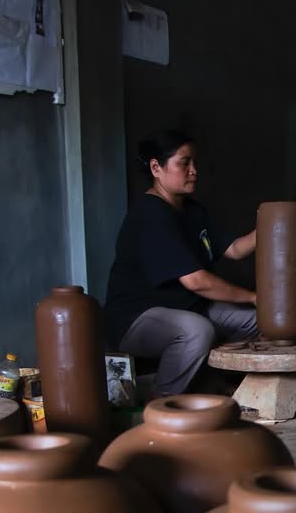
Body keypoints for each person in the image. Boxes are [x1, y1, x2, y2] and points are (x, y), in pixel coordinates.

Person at [104, 130, 258, 396]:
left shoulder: (192, 211)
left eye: (194, 163)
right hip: (138, 318)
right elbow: (197, 282)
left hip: (187, 306)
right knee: (196, 331)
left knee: (256, 322)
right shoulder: (150, 215)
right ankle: (164, 408)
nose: (194, 171)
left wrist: (271, 224)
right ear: (156, 167)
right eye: (184, 163)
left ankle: (218, 387)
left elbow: (234, 249)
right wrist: (254, 296)